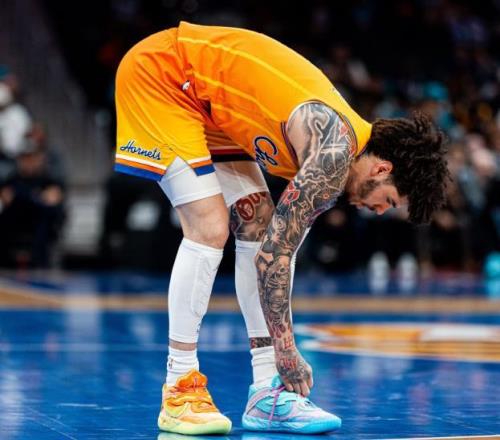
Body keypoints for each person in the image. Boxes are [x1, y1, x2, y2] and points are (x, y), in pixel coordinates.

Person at [114, 21, 449, 435]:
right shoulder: (333, 154)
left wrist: (280, 356)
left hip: (208, 101)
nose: (380, 211)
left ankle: (266, 394)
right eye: (390, 201)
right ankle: (179, 388)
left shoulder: (338, 155)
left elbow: (272, 252)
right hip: (165, 72)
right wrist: (287, 351)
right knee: (210, 226)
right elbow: (274, 261)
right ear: (382, 169)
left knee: (257, 225)